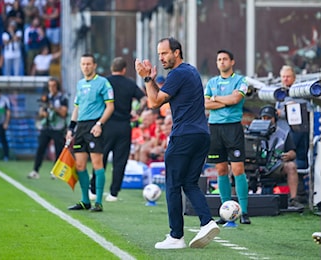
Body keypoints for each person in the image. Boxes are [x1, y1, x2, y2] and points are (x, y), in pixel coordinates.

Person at [135, 37, 219, 249]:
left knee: (172, 184)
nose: (161, 58)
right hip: (201, 134)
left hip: (184, 135)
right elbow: (158, 97)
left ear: (177, 52)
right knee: (189, 183)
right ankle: (207, 222)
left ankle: (175, 236)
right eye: (159, 54)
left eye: (164, 53)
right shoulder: (190, 71)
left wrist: (146, 79)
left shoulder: (178, 73)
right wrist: (152, 81)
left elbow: (154, 102)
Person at [88, 57, 147, 202]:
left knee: (100, 157)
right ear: (124, 69)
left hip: (106, 124)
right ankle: (114, 193)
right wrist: (137, 113)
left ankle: (94, 189)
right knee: (120, 161)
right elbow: (144, 99)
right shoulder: (130, 83)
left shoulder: (104, 82)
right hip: (124, 126)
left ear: (111, 68)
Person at [204, 49, 251, 225]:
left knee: (238, 169)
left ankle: (244, 211)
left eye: (225, 59)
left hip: (233, 128)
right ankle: (226, 211)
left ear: (232, 62)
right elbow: (205, 103)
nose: (222, 62)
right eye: (219, 59)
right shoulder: (212, 82)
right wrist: (224, 100)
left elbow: (235, 100)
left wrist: (217, 99)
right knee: (221, 169)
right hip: (215, 128)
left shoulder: (241, 80)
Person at [66, 53, 114, 212]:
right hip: (81, 127)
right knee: (80, 165)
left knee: (97, 164)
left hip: (95, 126)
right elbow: (77, 108)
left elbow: (110, 107)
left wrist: (100, 124)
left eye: (88, 64)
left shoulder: (103, 83)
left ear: (94, 65)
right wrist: (71, 129)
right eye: (83, 64)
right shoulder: (80, 84)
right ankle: (85, 200)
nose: (85, 67)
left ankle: (98, 202)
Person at [276, 65, 313, 204]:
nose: (285, 79)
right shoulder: (278, 94)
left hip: (300, 135)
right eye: (283, 76)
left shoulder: (301, 92)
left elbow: (307, 111)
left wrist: (284, 112)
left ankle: (300, 194)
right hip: (283, 136)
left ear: (294, 77)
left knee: (300, 162)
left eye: (288, 76)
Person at [258, 105, 305, 210]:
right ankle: (233, 200)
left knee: (291, 166)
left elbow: (293, 152)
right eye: (263, 118)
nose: (266, 121)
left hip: (276, 165)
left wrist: (289, 155)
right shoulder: (253, 132)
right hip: (257, 166)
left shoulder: (283, 133)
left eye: (269, 118)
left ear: (275, 119)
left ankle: (293, 199)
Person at [28, 77, 69, 179]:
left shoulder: (62, 98)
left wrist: (53, 108)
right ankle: (35, 170)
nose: (51, 88)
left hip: (58, 127)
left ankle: (56, 172)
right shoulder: (46, 97)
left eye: (54, 86)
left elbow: (64, 113)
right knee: (40, 148)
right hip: (46, 126)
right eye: (50, 86)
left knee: (58, 150)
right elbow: (41, 111)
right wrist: (43, 113)